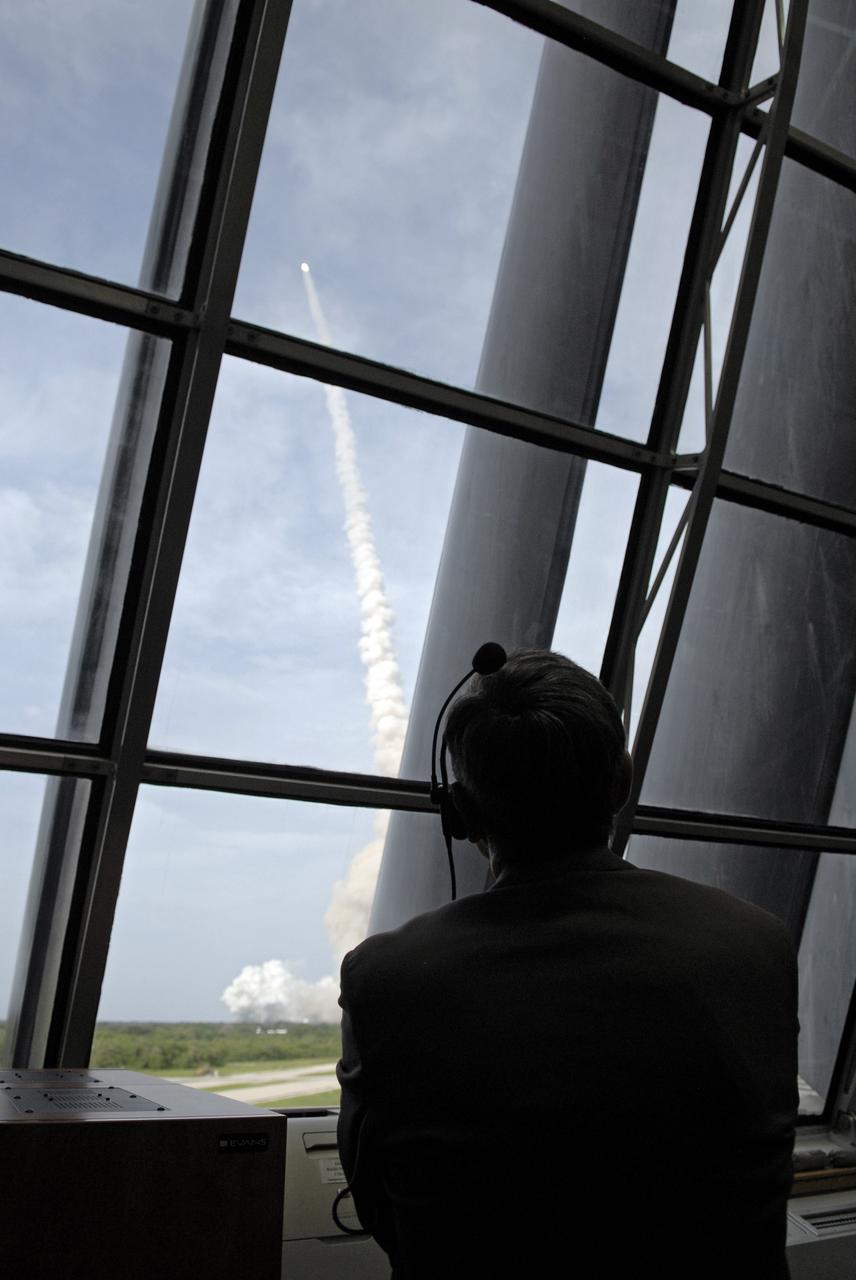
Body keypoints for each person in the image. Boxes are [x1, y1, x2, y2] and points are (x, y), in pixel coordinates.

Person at [336, 649, 799, 1279]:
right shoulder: (761, 945)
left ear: (460, 812)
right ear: (622, 783)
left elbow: (378, 1207)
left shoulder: (382, 978)